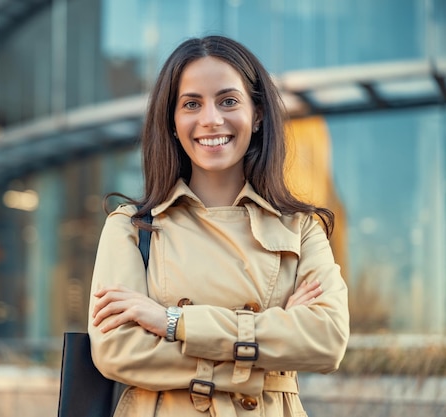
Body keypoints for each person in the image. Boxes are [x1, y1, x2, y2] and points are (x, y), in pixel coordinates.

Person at [88, 35, 349, 417]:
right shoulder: (131, 228)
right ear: (173, 122)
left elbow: (326, 340)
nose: (211, 119)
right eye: (191, 104)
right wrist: (261, 357)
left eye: (228, 101)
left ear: (257, 114)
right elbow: (118, 352)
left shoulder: (301, 228)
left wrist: (173, 322)